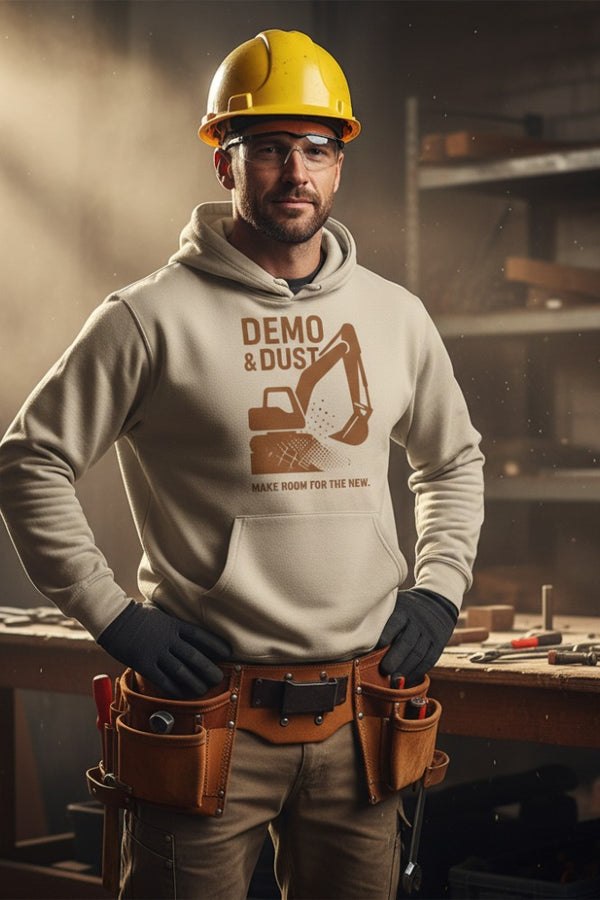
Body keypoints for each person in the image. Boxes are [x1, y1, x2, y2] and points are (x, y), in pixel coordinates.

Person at [0, 29, 484, 900]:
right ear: (224, 161)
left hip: (361, 719)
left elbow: (452, 461)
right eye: (267, 147)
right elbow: (29, 461)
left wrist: (441, 586)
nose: (295, 172)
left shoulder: (396, 317)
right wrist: (117, 620)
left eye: (317, 149)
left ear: (340, 164)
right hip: (207, 721)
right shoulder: (147, 319)